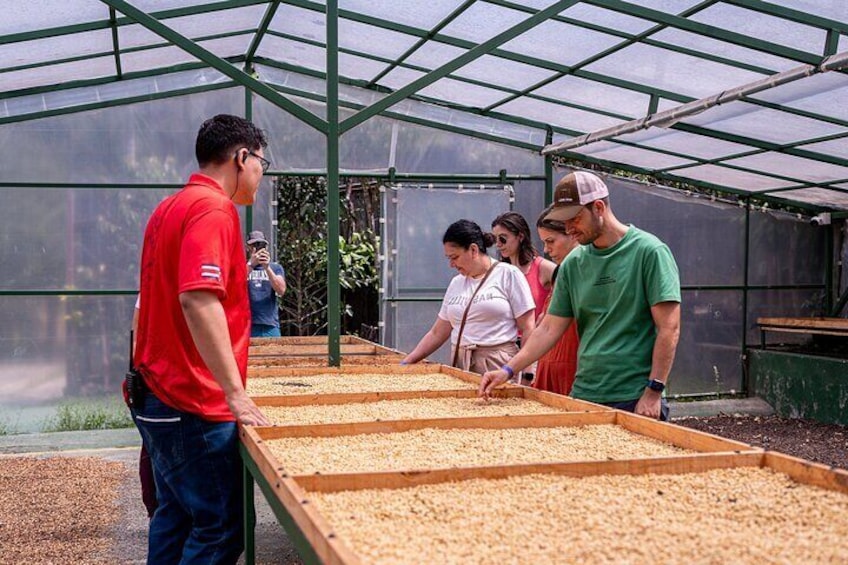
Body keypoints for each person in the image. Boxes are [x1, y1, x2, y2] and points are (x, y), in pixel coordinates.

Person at [131, 114, 271, 564]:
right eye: (261, 164)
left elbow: (147, 301)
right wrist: (236, 394)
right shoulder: (214, 209)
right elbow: (197, 298)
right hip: (192, 401)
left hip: (157, 390)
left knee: (176, 514)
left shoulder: (167, 208)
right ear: (242, 156)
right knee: (220, 530)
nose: (260, 175)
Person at [480, 171, 681, 421]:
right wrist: (508, 370)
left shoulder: (650, 252)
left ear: (598, 207)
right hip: (585, 391)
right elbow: (549, 329)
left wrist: (654, 390)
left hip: (634, 394)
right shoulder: (574, 262)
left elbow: (669, 328)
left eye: (574, 219)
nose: (568, 228)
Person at [401, 219, 536, 374]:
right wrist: (409, 361)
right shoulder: (456, 283)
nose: (452, 264)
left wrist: (528, 372)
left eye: (455, 257)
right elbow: (437, 332)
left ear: (473, 250)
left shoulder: (508, 274)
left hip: (498, 364)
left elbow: (528, 327)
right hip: (460, 363)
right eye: (449, 258)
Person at [492, 211, 555, 385]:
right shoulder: (498, 272)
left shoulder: (543, 268)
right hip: (504, 348)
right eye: (495, 239)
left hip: (534, 349)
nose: (498, 245)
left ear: (520, 236)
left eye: (503, 239)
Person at [533, 207, 580, 395]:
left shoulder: (585, 270)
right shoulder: (561, 272)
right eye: (544, 242)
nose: (546, 249)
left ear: (572, 234)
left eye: (551, 241)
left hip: (573, 370)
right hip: (550, 365)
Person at [246, 230, 287, 337]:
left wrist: (267, 267)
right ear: (248, 247)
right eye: (254, 245)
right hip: (247, 324)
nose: (258, 248)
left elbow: (281, 290)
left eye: (261, 245)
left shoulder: (275, 268)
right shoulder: (242, 267)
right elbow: (234, 286)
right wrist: (250, 265)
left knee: (274, 353)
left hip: (270, 324)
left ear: (266, 248)